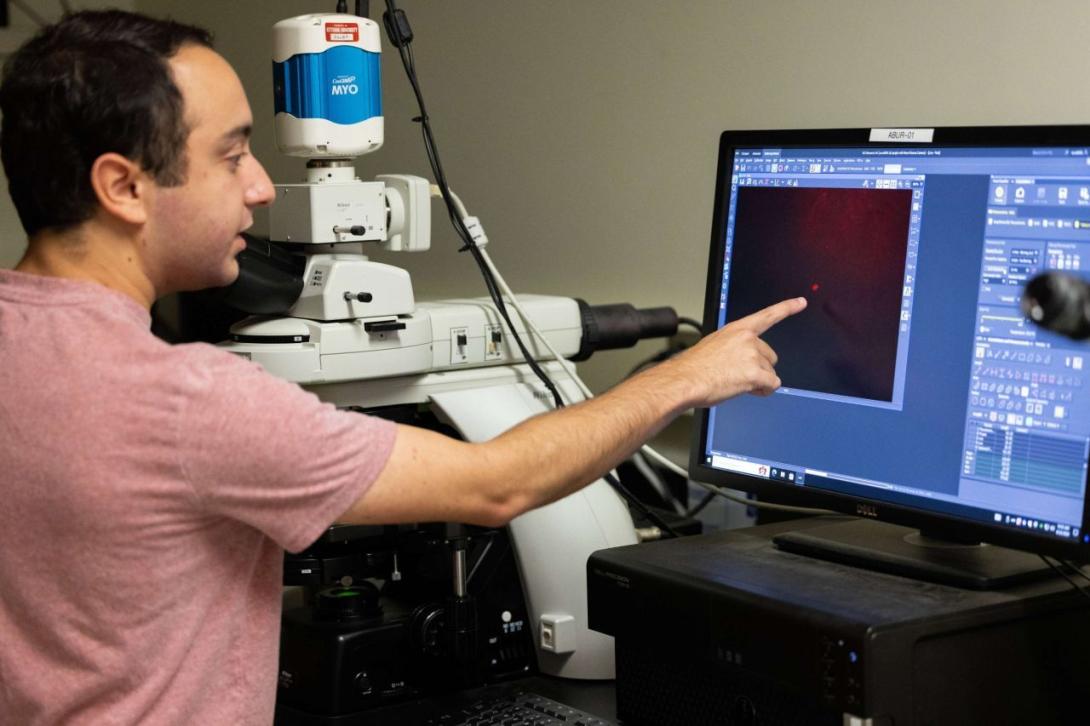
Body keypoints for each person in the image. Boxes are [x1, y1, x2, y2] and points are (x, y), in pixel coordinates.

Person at [0, 9, 806, 725]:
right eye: (231, 154)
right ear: (123, 186)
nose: (255, 188)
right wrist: (688, 376)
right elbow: (497, 485)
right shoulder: (184, 400)